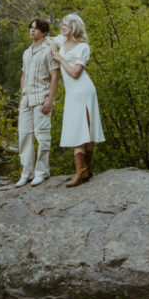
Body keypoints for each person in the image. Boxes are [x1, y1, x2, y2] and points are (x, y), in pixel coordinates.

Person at [50, 13, 104, 187]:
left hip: (83, 90)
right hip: (73, 92)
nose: (62, 27)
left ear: (73, 27)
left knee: (81, 129)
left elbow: (75, 73)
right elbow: (50, 40)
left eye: (65, 25)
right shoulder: (62, 41)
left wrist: (60, 58)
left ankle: (80, 173)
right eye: (62, 25)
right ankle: (86, 170)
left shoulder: (83, 48)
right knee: (80, 128)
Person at [15, 18, 60, 187]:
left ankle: (42, 172)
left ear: (44, 32)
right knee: (24, 136)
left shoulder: (48, 50)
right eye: (31, 27)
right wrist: (21, 100)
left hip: (42, 98)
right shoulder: (27, 52)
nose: (32, 30)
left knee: (42, 136)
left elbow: (55, 75)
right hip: (27, 100)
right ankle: (26, 173)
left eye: (36, 28)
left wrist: (50, 99)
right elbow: (24, 77)